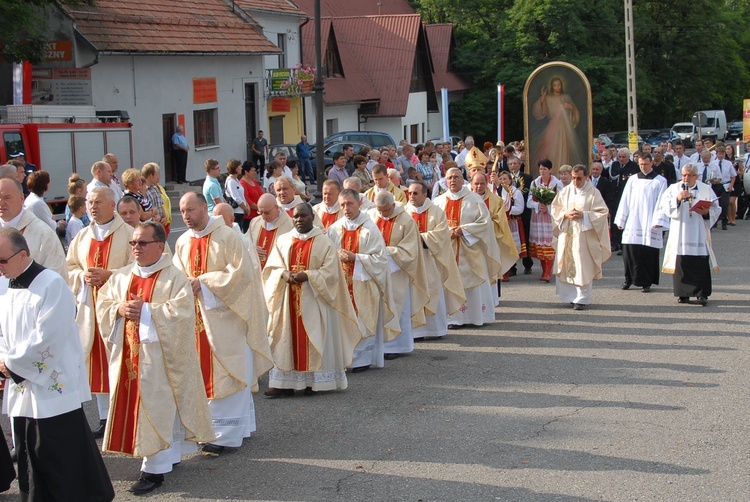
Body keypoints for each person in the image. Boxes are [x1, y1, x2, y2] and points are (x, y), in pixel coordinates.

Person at [96, 222, 214, 494]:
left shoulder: (174, 278)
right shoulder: (122, 275)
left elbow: (183, 314)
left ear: (160, 246)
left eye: (142, 243)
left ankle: (154, 470)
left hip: (160, 358)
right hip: (128, 355)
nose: (136, 248)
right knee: (146, 406)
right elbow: (103, 302)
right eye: (133, 243)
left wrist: (147, 311)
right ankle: (167, 456)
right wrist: (119, 308)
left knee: (156, 408)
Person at [0, 228, 115, 501]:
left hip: (52, 388)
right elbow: (3, 333)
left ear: (23, 255)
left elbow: (49, 338)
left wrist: (12, 364)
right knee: (30, 453)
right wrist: (4, 358)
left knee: (59, 455)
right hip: (22, 387)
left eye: (2, 260)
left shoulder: (51, 284)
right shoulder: (6, 287)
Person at [173, 192, 273, 456]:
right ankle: (237, 427)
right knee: (203, 373)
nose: (187, 216)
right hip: (196, 319)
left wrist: (204, 283)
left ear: (204, 208)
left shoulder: (229, 237)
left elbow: (242, 276)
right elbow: (175, 276)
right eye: (182, 211)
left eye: (191, 210)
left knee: (229, 371)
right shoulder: (182, 241)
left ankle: (227, 435)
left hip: (226, 319)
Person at [261, 203, 361, 396]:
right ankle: (284, 383)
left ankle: (314, 382)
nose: (299, 220)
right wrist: (283, 274)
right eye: (296, 216)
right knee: (285, 338)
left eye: (303, 216)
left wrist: (307, 276)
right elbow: (271, 269)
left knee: (313, 338)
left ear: (312, 217)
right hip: (288, 301)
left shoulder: (324, 242)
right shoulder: (283, 240)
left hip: (315, 302)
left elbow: (332, 274)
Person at [67, 186, 134, 437]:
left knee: (118, 362)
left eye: (97, 202)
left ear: (111, 205)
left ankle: (125, 416)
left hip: (117, 311)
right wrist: (81, 276)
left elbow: (139, 269)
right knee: (97, 366)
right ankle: (105, 419)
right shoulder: (82, 237)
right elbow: (69, 266)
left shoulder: (128, 233)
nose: (92, 206)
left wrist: (110, 275)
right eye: (90, 202)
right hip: (90, 311)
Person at [327, 189, 400, 372]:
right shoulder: (334, 229)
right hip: (342, 285)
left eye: (349, 204)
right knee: (342, 320)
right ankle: (343, 358)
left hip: (364, 284)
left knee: (362, 320)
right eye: (342, 204)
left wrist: (356, 258)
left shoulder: (370, 228)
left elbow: (380, 260)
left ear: (359, 203)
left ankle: (361, 360)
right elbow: (326, 256)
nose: (346, 208)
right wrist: (335, 255)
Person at [434, 168, 501, 328]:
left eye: (456, 177)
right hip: (448, 250)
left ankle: (476, 317)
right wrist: (446, 232)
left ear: (462, 179)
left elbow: (485, 223)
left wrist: (463, 230)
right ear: (445, 180)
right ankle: (453, 319)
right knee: (449, 281)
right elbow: (433, 225)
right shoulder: (438, 202)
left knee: (473, 283)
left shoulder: (474, 200)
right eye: (450, 177)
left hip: (470, 250)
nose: (453, 180)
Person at [368, 191, 429, 359]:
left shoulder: (406, 221)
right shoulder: (371, 216)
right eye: (380, 210)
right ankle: (379, 345)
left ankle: (397, 347)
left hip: (397, 272)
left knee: (398, 307)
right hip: (375, 271)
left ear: (393, 205)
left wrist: (386, 253)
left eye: (386, 210)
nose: (382, 214)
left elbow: (410, 250)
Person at [404, 181, 466, 340]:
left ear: (425, 195)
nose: (411, 196)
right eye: (410, 193)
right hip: (411, 262)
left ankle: (435, 330)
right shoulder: (404, 212)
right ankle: (416, 331)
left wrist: (417, 238)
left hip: (430, 260)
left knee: (433, 291)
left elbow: (441, 235)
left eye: (416, 193)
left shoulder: (436, 212)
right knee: (413, 293)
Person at [551, 165, 611, 310]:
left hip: (584, 236)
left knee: (582, 265)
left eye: (579, 178)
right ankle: (570, 296)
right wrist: (565, 215)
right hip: (567, 234)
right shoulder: (565, 191)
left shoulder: (593, 193)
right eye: (573, 178)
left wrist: (584, 215)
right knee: (567, 263)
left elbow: (602, 212)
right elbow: (555, 209)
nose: (576, 181)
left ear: (586, 177)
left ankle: (582, 298)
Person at [659, 163, 720, 306]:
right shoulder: (674, 189)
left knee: (700, 263)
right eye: (684, 175)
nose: (686, 178)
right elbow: (664, 206)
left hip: (698, 231)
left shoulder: (706, 189)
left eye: (689, 175)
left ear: (696, 176)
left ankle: (701, 294)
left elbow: (716, 208)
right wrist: (677, 199)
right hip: (681, 231)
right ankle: (683, 294)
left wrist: (707, 213)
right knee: (682, 262)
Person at [614, 153, 668, 293]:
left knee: (647, 253)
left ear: (651, 163)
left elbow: (662, 203)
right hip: (633, 221)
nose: (643, 167)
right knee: (630, 252)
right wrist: (621, 219)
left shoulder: (660, 181)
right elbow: (625, 199)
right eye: (641, 164)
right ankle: (628, 279)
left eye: (646, 164)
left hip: (649, 221)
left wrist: (658, 220)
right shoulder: (632, 179)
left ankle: (646, 282)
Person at [0, 178, 67, 279]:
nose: (1, 203)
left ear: (21, 198)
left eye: (7, 197)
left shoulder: (43, 234)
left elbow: (57, 277)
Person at [530, 76, 584, 169]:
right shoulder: (548, 98)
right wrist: (542, 98)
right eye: (555, 85)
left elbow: (575, 111)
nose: (557, 87)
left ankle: (564, 170)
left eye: (559, 85)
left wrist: (570, 107)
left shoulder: (566, 97)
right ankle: (552, 171)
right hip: (552, 127)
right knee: (552, 150)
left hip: (564, 127)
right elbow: (540, 112)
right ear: (552, 86)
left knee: (564, 150)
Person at [527, 159, 563, 282]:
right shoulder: (534, 183)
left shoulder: (557, 184)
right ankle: (544, 270)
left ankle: (548, 272)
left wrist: (547, 207)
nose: (542, 171)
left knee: (549, 242)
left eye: (545, 169)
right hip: (538, 218)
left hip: (550, 217)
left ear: (550, 170)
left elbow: (561, 202)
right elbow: (529, 202)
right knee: (540, 245)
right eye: (541, 169)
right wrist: (538, 206)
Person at [248, 193, 294, 268]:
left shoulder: (290, 225)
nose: (263, 216)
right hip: (256, 270)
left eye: (267, 213)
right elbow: (246, 243)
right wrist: (252, 249)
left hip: (276, 271)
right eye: (260, 212)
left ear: (276, 207)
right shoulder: (255, 222)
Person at [497, 170, 526, 280]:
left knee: (510, 247)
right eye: (501, 179)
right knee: (501, 246)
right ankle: (503, 271)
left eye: (505, 179)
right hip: (500, 223)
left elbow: (520, 208)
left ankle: (509, 269)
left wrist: (507, 210)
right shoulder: (497, 191)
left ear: (510, 180)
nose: (503, 181)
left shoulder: (515, 192)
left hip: (511, 222)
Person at [709, 143, 737, 230]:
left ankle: (724, 222)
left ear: (725, 154)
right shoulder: (713, 163)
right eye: (719, 154)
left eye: (723, 154)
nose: (721, 155)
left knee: (725, 204)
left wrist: (731, 185)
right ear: (717, 154)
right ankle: (715, 221)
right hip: (716, 185)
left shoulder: (728, 163)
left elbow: (733, 175)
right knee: (715, 203)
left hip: (725, 185)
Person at [224, 159, 251, 232]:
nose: (241, 168)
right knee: (238, 231)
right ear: (236, 168)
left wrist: (247, 205)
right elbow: (236, 197)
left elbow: (241, 195)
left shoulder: (235, 180)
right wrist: (245, 208)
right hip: (236, 211)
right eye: (240, 166)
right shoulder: (231, 181)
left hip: (241, 211)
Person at [142, 162, 168, 228]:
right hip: (152, 225)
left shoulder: (155, 188)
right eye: (157, 175)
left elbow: (161, 205)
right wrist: (155, 218)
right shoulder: (143, 191)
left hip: (161, 224)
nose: (158, 177)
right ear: (151, 176)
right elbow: (146, 209)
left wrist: (165, 217)